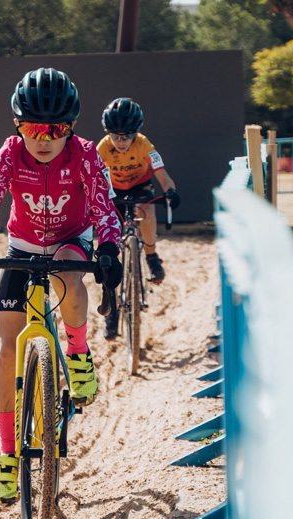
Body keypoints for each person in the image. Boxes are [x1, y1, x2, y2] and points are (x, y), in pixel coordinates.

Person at [0, 67, 122, 506]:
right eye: (32, 128)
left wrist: (109, 249)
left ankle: (79, 352)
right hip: (22, 246)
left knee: (69, 274)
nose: (43, 138)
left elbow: (104, 205)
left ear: (70, 128)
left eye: (55, 129)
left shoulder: (85, 155)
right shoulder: (11, 152)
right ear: (18, 126)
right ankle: (8, 453)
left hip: (70, 240)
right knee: (8, 346)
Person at [96, 97, 180, 340]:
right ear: (108, 133)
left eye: (126, 137)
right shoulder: (102, 148)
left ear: (136, 134)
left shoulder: (144, 145)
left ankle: (152, 256)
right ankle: (111, 311)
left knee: (148, 208)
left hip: (140, 187)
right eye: (115, 136)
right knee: (109, 253)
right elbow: (89, 177)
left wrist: (170, 190)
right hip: (114, 192)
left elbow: (161, 173)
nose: (120, 142)